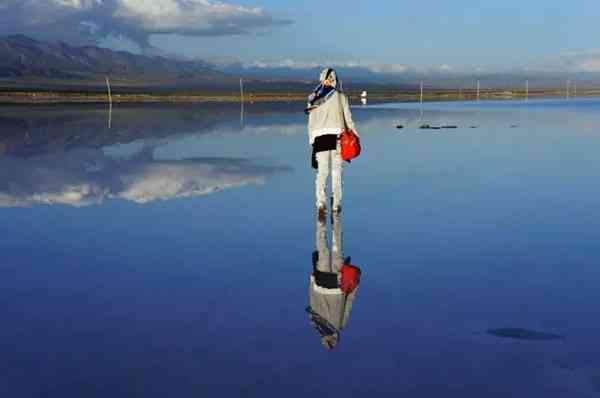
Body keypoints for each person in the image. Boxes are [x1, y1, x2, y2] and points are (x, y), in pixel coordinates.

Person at [305, 68, 358, 217]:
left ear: (322, 78)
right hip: (337, 140)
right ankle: (336, 205)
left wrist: (311, 141)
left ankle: (320, 203)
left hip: (320, 140)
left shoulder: (313, 98)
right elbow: (348, 120)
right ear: (335, 80)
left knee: (322, 173)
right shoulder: (341, 97)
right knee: (336, 174)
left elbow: (311, 123)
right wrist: (355, 135)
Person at [306, 212, 361, 350]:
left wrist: (354, 287)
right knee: (324, 250)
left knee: (336, 250)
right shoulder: (314, 322)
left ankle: (335, 216)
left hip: (335, 286)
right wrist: (312, 280)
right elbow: (312, 299)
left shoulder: (337, 325)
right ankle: (322, 219)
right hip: (322, 282)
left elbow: (348, 302)